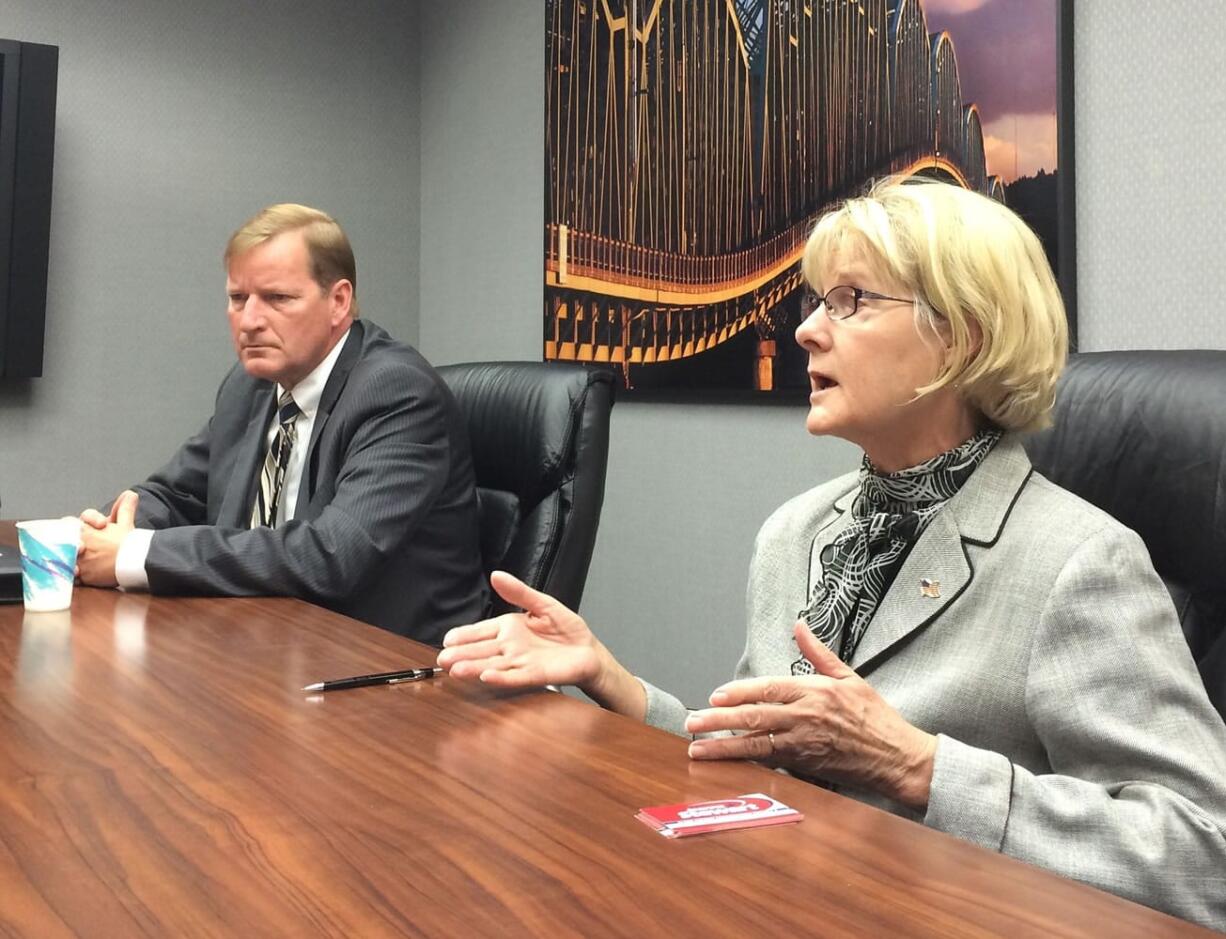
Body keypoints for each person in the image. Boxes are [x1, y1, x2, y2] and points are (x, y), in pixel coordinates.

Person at [437, 179, 1226, 928]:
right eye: (819, 301)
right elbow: (767, 762)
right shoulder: (797, 531)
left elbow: (1203, 858)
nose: (806, 327)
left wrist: (921, 767)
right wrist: (610, 678)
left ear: (964, 336)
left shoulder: (1081, 562)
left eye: (851, 301)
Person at [77, 203, 486, 645]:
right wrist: (102, 531)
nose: (250, 321)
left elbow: (331, 557)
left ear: (339, 301)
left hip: (392, 666)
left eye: (277, 298)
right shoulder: (250, 385)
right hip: (270, 644)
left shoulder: (396, 392)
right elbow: (177, 494)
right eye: (238, 299)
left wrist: (134, 553)